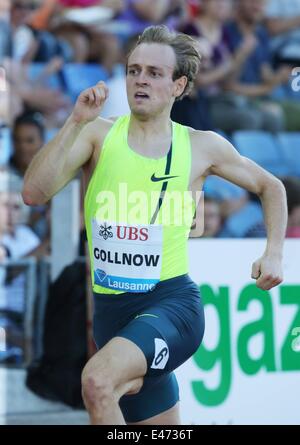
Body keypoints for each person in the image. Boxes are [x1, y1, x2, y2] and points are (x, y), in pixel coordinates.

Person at [22, 25, 287, 425]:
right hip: (113, 315)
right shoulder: (96, 134)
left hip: (171, 305)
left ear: (179, 85)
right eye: (133, 70)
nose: (140, 80)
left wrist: (273, 253)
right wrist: (73, 122)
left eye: (154, 73)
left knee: (97, 381)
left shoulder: (201, 145)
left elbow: (272, 186)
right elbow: (33, 193)